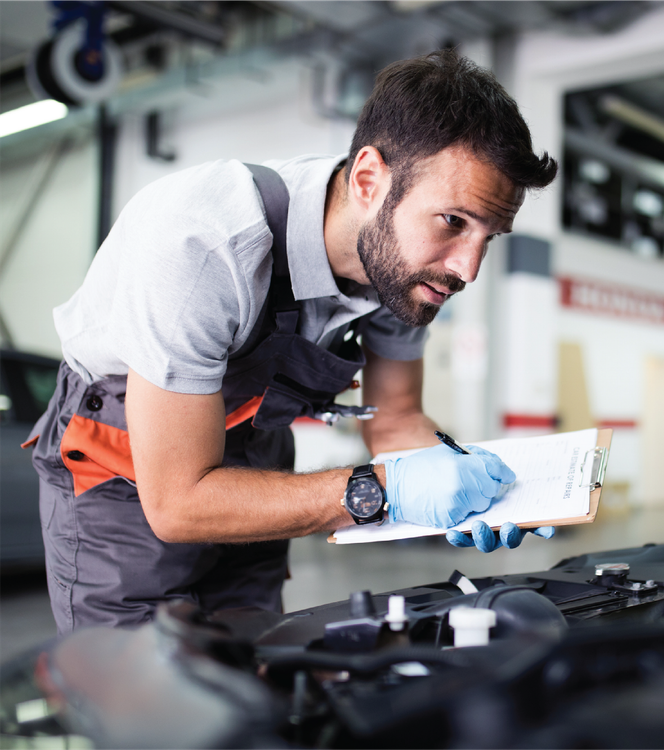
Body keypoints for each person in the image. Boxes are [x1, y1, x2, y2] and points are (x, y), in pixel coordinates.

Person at [25, 49, 558, 634]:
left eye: (491, 236)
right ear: (368, 179)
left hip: (256, 451)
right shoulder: (203, 247)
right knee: (143, 698)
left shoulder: (405, 271)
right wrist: (385, 491)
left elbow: (398, 418)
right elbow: (177, 502)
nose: (467, 269)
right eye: (454, 221)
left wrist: (472, 486)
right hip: (124, 467)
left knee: (261, 670)